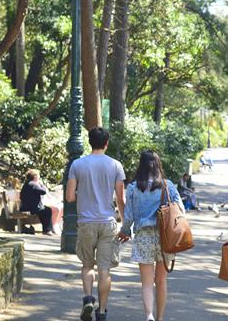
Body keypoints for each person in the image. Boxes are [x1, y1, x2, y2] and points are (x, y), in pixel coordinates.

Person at [65, 127, 126, 321]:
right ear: (106, 143)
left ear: (90, 141)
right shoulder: (116, 165)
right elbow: (121, 198)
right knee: (104, 269)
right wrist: (125, 224)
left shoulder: (77, 164)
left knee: (87, 265)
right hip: (107, 222)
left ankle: (88, 299)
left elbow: (69, 197)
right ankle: (102, 311)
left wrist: (83, 193)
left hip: (86, 222)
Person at [118, 151, 184, 321]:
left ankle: (149, 315)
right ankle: (160, 318)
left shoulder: (133, 187)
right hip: (165, 237)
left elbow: (129, 216)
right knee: (161, 281)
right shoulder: (168, 185)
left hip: (143, 236)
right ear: (158, 165)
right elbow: (181, 211)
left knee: (147, 282)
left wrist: (125, 231)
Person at [19, 169, 55, 235]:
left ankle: (48, 230)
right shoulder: (33, 184)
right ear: (35, 177)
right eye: (38, 176)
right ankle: (47, 230)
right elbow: (43, 191)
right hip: (31, 208)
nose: (39, 178)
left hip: (26, 207)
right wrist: (41, 184)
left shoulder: (27, 184)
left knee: (44, 210)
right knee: (48, 210)